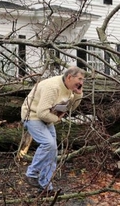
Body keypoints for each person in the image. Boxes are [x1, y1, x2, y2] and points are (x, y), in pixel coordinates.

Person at [21, 66, 85, 195]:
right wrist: (57, 119)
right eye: (79, 79)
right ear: (69, 77)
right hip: (32, 116)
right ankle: (32, 174)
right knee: (48, 144)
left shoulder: (68, 88)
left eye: (83, 80)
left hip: (47, 118)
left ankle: (45, 188)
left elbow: (71, 108)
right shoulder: (53, 87)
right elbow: (41, 113)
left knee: (53, 151)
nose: (81, 83)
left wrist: (78, 95)